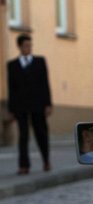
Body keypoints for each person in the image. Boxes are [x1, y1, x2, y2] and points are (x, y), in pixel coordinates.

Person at [6, 34, 52, 175]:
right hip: (21, 106)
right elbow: (11, 88)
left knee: (41, 133)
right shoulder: (12, 65)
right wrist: (11, 109)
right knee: (23, 135)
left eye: (30, 45)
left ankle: (46, 160)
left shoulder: (39, 62)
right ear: (19, 47)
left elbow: (45, 84)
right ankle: (24, 165)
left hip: (38, 104)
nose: (28, 48)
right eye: (26, 46)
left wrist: (48, 104)